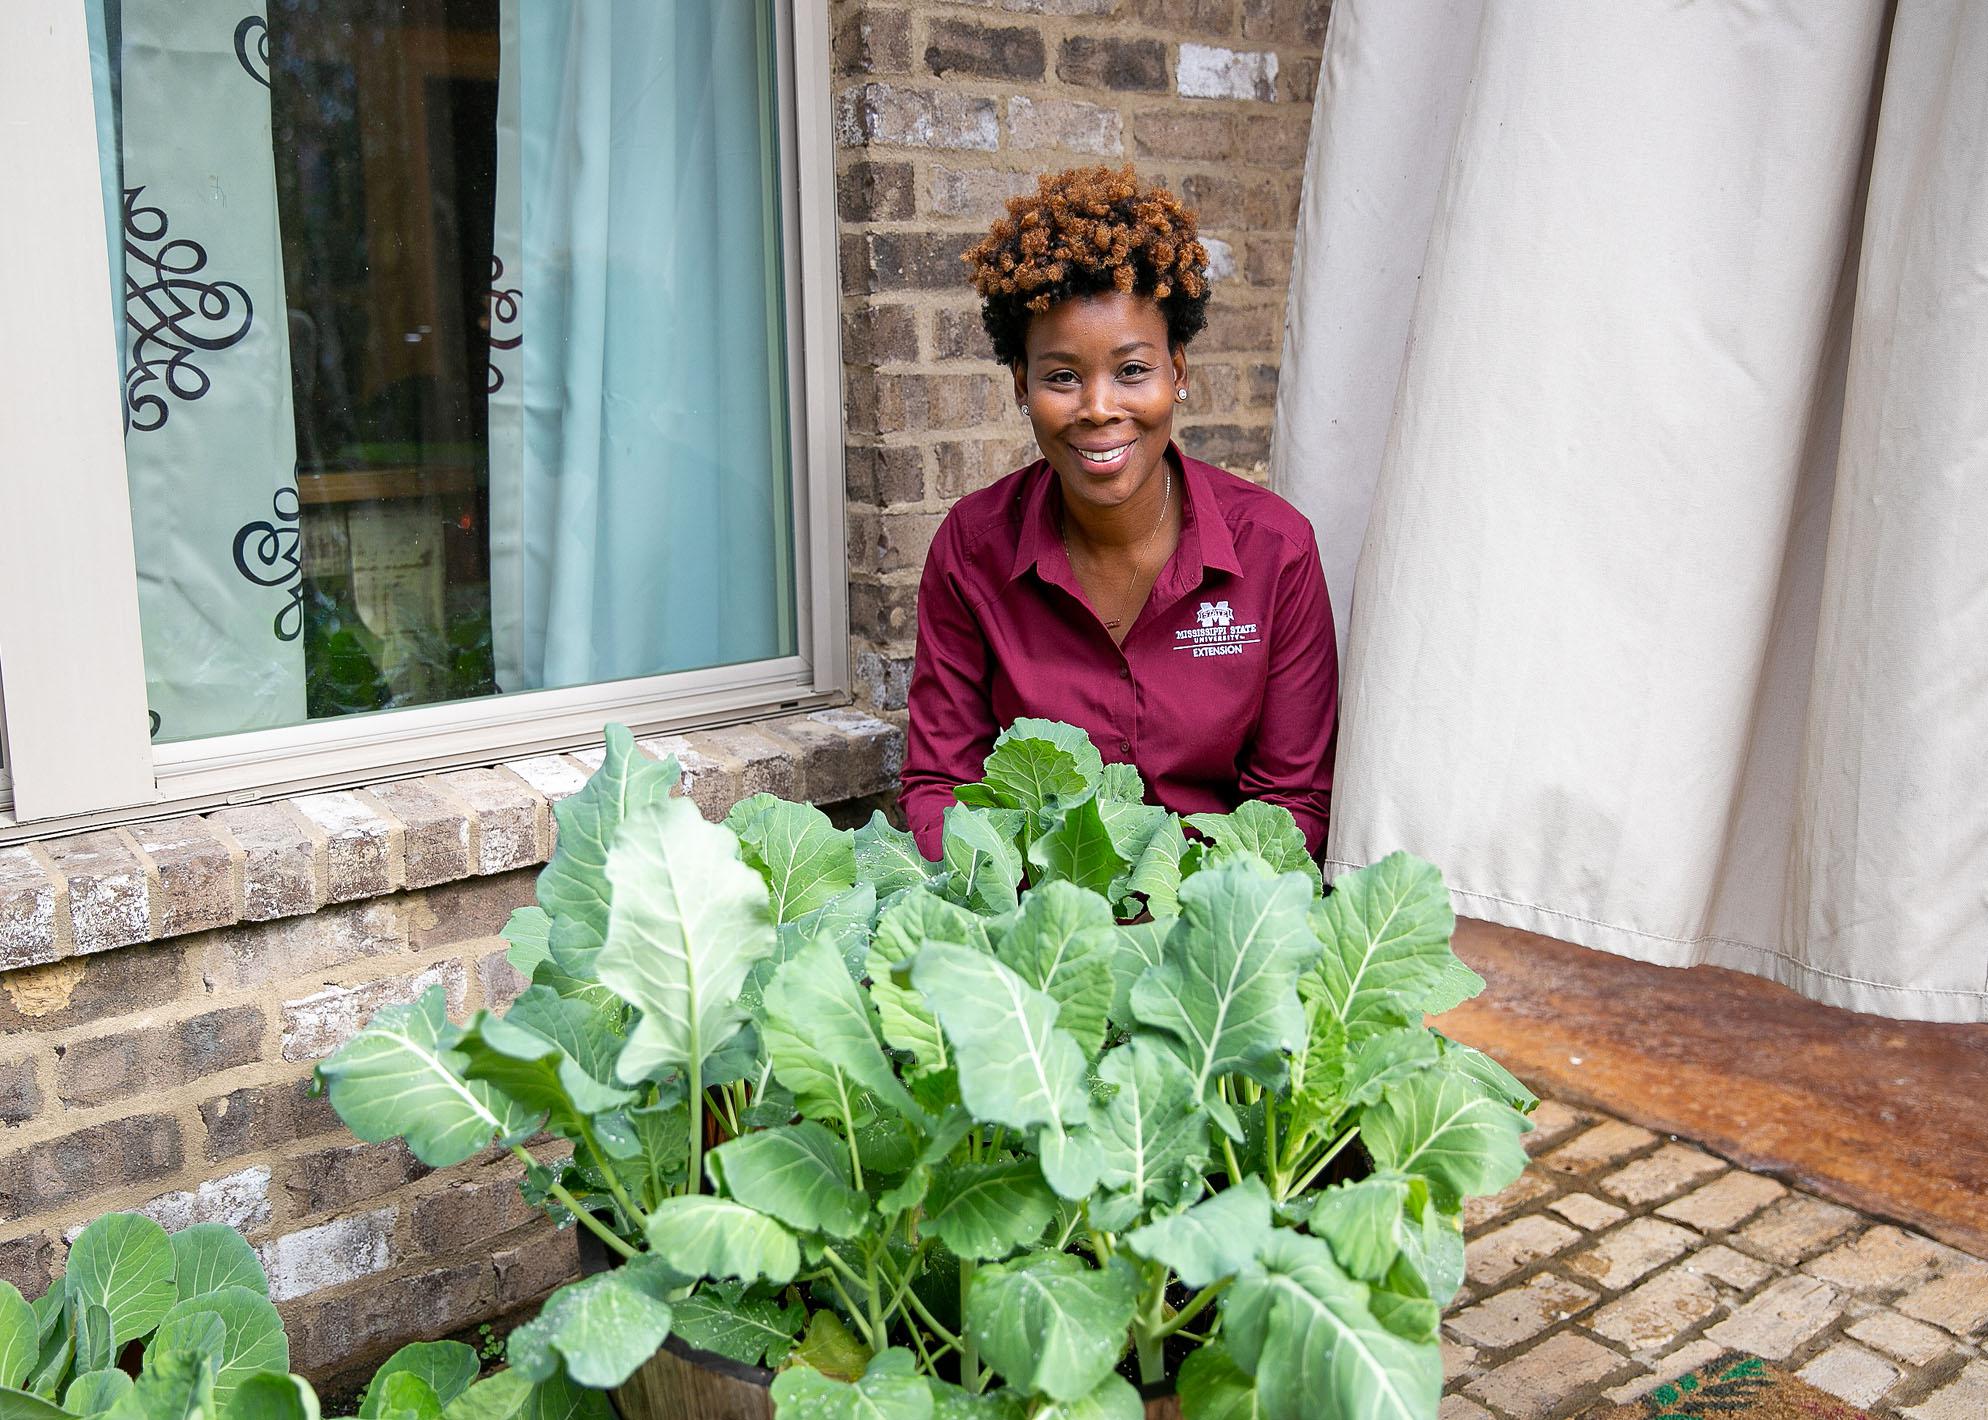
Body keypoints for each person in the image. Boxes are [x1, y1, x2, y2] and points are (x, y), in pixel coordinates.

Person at [899, 166, 1337, 862]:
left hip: (1216, 930)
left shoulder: (1274, 552)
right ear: (1022, 384)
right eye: (1063, 376)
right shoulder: (972, 550)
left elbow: (1291, 803)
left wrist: (1180, 919)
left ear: (1179, 373)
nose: (1099, 407)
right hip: (1033, 934)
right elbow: (941, 785)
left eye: (1132, 370)